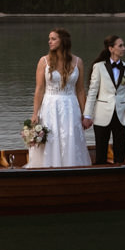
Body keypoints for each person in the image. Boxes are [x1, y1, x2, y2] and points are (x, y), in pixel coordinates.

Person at [26, 28, 90, 168]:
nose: (50, 41)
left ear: (63, 41)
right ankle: (49, 167)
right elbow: (39, 89)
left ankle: (72, 166)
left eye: (53, 39)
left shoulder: (78, 62)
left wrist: (86, 114)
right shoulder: (44, 61)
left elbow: (80, 90)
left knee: (70, 137)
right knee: (51, 137)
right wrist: (35, 113)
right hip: (50, 106)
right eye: (49, 39)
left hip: (71, 107)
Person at [83, 34, 125, 165]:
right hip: (102, 114)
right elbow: (92, 92)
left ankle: (119, 173)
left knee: (120, 151)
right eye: (120, 46)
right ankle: (101, 173)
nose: (124, 48)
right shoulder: (98, 67)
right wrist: (87, 115)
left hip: (121, 114)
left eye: (123, 45)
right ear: (111, 49)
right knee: (101, 151)